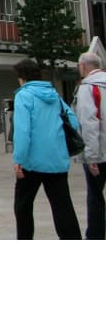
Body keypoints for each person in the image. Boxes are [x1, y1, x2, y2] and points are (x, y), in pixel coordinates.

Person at [12, 58, 81, 240]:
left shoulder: (23, 95)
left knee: (23, 206)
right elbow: (73, 121)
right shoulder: (54, 95)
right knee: (63, 207)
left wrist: (18, 159)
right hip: (57, 160)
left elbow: (23, 130)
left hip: (31, 162)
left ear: (22, 77)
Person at [71, 51, 106, 239]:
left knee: (95, 196)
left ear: (83, 66)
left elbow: (89, 122)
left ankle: (95, 236)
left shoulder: (88, 88)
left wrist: (91, 156)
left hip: (99, 152)